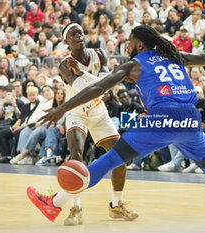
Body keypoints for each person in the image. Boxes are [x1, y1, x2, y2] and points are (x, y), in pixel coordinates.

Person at [28, 25, 205, 230]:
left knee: (109, 161)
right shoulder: (174, 56)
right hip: (190, 120)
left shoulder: (134, 64)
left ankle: (55, 203)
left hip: (163, 119)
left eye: (129, 42)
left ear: (138, 45)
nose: (126, 46)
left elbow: (97, 88)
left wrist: (62, 108)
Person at [54, 23, 139, 225]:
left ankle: (116, 205)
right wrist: (95, 80)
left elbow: (105, 86)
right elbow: (83, 87)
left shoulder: (99, 53)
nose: (78, 36)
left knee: (121, 155)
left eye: (80, 33)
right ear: (66, 41)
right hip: (76, 113)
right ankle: (76, 208)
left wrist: (84, 74)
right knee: (76, 157)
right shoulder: (64, 65)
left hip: (99, 112)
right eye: (72, 35)